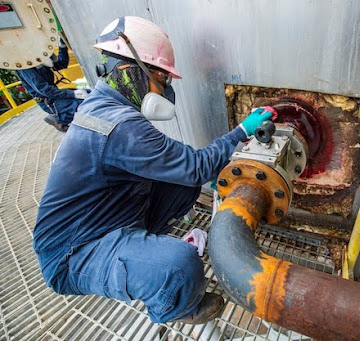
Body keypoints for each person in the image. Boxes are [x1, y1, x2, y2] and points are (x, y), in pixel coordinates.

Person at [33, 16, 272, 325]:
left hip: (105, 218)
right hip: (74, 252)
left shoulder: (105, 106)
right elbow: (196, 166)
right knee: (180, 264)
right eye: (161, 79)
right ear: (129, 70)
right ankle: (176, 306)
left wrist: (204, 170)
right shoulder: (119, 125)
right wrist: (241, 131)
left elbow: (187, 170)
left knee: (184, 183)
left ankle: (141, 252)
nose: (164, 91)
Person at [16, 38, 88, 132]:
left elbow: (61, 64)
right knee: (84, 105)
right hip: (49, 101)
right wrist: (72, 94)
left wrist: (62, 46)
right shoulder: (25, 66)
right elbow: (45, 90)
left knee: (90, 94)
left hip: (55, 94)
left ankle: (61, 115)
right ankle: (59, 118)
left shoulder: (40, 53)